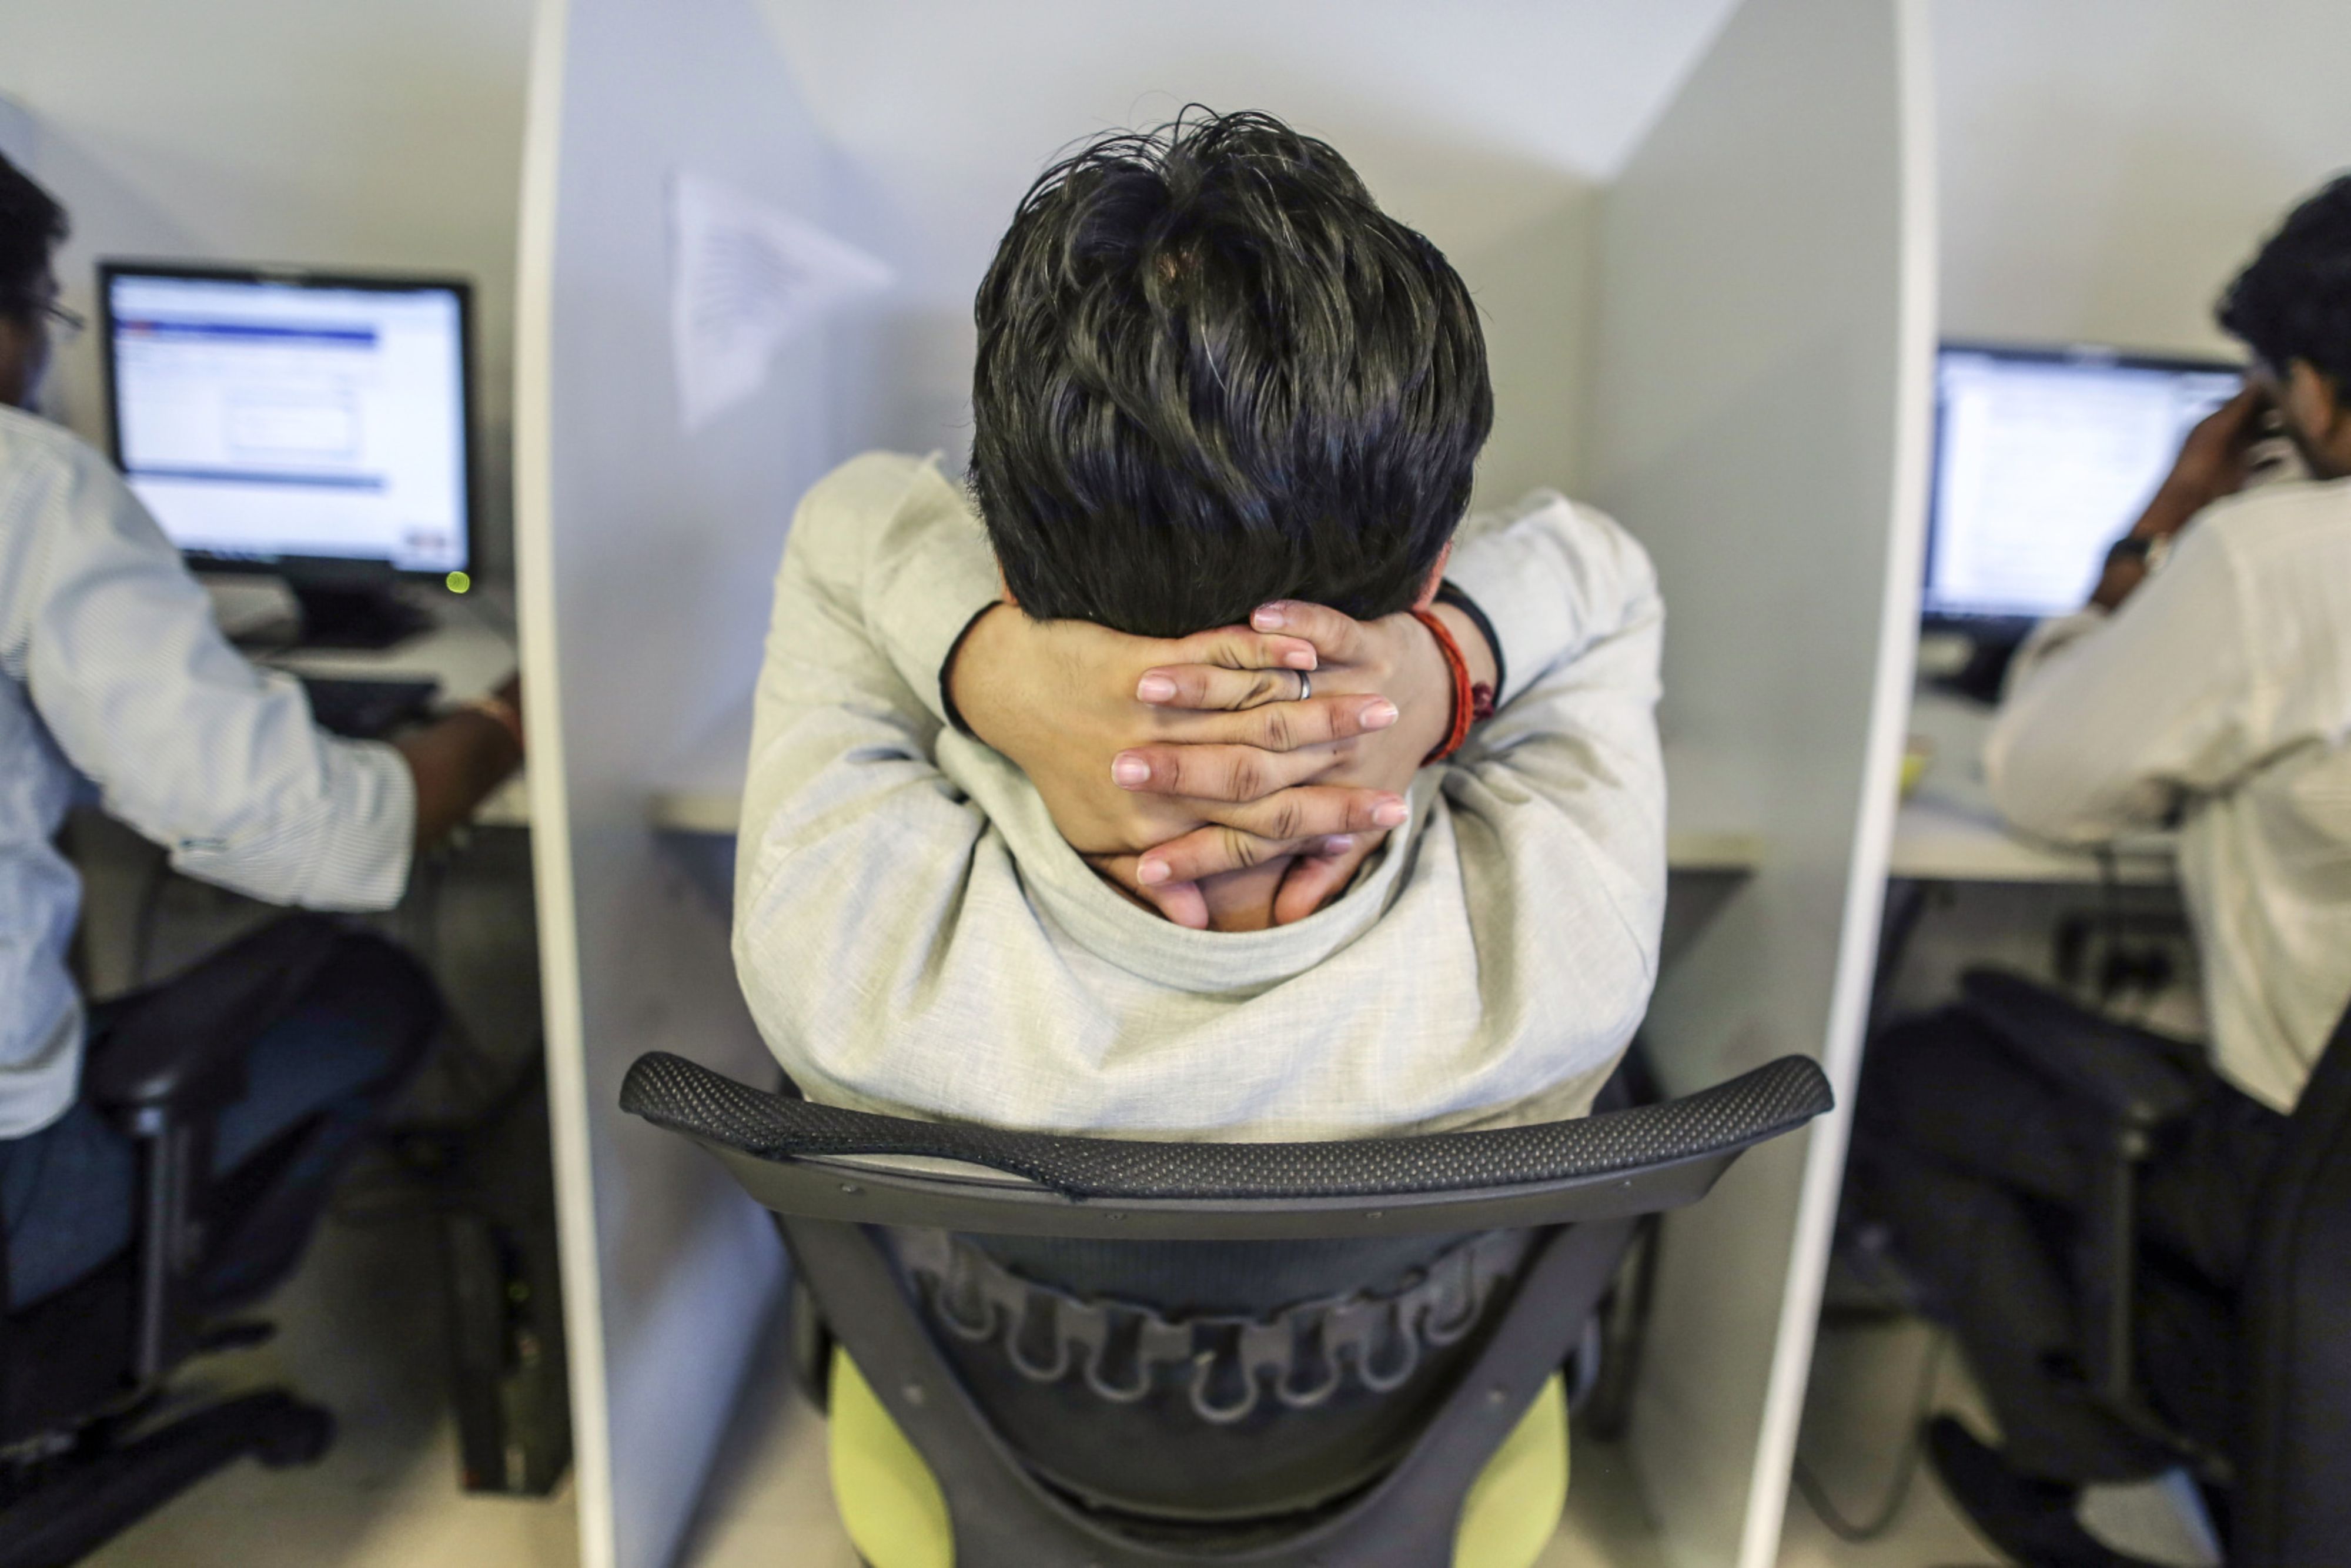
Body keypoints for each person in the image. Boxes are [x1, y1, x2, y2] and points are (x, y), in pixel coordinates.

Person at [733, 111, 1666, 1141]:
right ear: (1437, 572)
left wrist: (988, 672)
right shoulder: (1558, 978)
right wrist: (1446, 671)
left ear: (1000, 570)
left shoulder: (845, 977)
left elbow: (847, 521)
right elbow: (1604, 572)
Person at [1851, 175, 2351, 1566]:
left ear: (2310, 390)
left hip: (2304, 1178)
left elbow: (2044, 786)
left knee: (1911, 1075)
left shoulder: (2272, 560)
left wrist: (2159, 524)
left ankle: (2107, 1489)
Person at [0, 152, 525, 1313]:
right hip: (12, 1190)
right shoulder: (25, 486)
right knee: (372, 993)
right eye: (42, 316)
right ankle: (106, 1331)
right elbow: (324, 839)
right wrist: (509, 719)